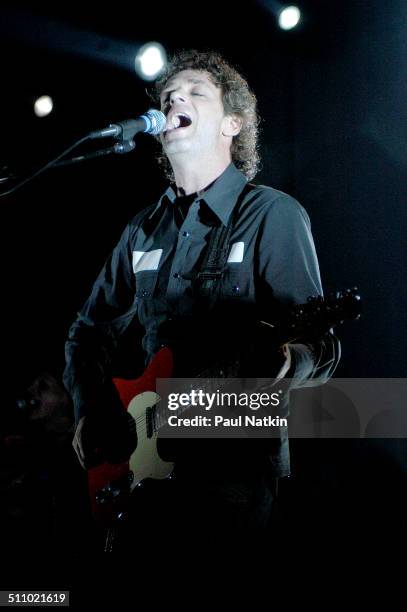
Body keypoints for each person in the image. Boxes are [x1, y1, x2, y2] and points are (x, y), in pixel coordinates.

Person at [63, 49, 340, 534]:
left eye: (194, 93)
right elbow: (88, 332)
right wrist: (91, 413)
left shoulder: (272, 215)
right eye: (169, 96)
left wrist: (286, 362)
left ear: (233, 123)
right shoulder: (142, 230)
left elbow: (324, 346)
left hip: (231, 467)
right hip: (141, 469)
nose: (174, 102)